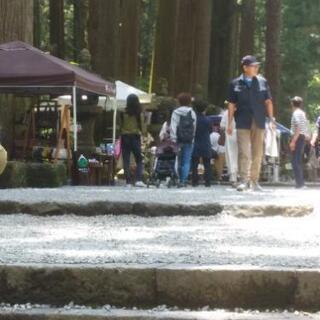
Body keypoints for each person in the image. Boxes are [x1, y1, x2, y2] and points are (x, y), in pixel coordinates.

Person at [227, 55, 275, 192]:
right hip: (242, 120)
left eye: (257, 66)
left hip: (259, 120)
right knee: (244, 152)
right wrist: (230, 123)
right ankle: (243, 181)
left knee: (258, 152)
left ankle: (254, 181)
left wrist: (271, 119)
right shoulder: (235, 83)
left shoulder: (262, 81)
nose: (256, 68)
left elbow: (268, 102)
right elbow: (231, 105)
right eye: (254, 66)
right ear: (245, 68)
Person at [120, 94, 147, 187]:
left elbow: (120, 125)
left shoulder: (123, 112)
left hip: (124, 136)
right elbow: (143, 127)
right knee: (139, 158)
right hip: (135, 136)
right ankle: (138, 179)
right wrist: (144, 134)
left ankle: (128, 181)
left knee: (126, 159)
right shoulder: (139, 112)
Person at [170, 93, 196, 187]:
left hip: (177, 139)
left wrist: (173, 138)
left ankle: (176, 178)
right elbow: (194, 127)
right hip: (189, 140)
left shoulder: (176, 112)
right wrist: (192, 137)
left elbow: (173, 126)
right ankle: (183, 180)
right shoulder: (192, 113)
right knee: (186, 160)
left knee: (177, 159)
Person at [191, 100, 212, 187]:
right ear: (205, 109)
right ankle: (207, 181)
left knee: (194, 163)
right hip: (205, 142)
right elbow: (210, 130)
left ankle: (194, 181)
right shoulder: (208, 120)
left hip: (195, 142)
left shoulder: (193, 119)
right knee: (207, 163)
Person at [289, 96, 309, 189]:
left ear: (292, 104)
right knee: (297, 160)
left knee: (295, 161)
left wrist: (293, 141)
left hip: (297, 137)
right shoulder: (302, 113)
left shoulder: (295, 113)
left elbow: (298, 127)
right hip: (302, 137)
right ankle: (300, 183)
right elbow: (305, 127)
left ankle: (300, 184)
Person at [220, 105, 238, 187]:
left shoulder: (226, 113)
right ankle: (242, 177)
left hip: (229, 136)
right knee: (241, 156)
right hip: (241, 135)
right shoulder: (243, 111)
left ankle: (233, 178)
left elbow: (222, 126)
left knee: (231, 157)